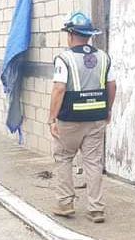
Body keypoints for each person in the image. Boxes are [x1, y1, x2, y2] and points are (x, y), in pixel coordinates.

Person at [48, 12, 116, 223]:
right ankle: (96, 209)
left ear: (70, 34)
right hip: (96, 118)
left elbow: (59, 89)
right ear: (89, 35)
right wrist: (108, 109)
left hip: (70, 119)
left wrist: (52, 118)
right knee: (93, 162)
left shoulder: (64, 58)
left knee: (64, 158)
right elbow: (112, 85)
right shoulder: (104, 57)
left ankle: (65, 204)